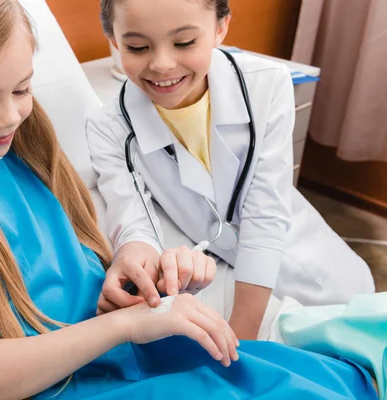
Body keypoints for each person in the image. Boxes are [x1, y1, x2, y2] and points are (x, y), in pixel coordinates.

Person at [0, 0, 378, 398]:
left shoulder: (27, 158)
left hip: (126, 356)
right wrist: (124, 321)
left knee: (327, 368)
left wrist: (129, 283)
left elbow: (83, 282)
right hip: (82, 381)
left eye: (22, 90)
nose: (10, 117)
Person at [86, 0, 375, 340]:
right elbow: (132, 220)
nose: (162, 64)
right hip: (218, 273)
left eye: (184, 42)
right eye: (137, 47)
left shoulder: (266, 85)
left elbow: (264, 215)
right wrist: (135, 254)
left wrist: (243, 340)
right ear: (114, 39)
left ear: (220, 27)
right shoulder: (108, 128)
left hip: (310, 268)